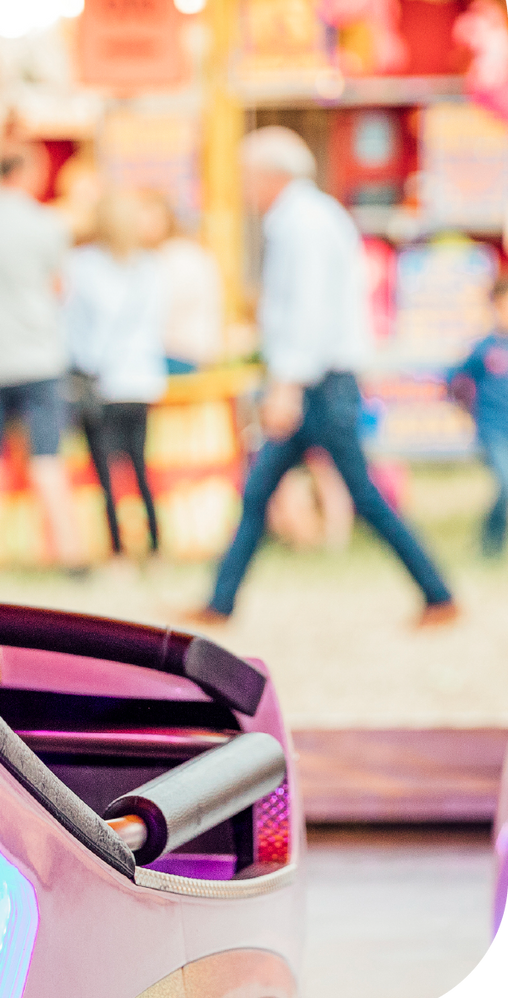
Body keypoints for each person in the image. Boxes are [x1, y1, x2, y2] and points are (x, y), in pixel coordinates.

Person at [195, 127, 457, 627]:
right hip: (321, 379)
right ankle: (219, 602)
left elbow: (308, 313)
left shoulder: (302, 224)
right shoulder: (312, 217)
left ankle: (438, 593)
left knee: (357, 494)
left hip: (317, 384)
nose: (246, 187)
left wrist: (286, 385)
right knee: (263, 490)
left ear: (271, 174)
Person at [0, 148, 85, 573]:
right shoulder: (46, 224)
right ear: (26, 171)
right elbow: (60, 288)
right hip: (38, 359)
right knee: (47, 458)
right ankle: (68, 554)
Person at [65, 188, 168, 558]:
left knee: (106, 474)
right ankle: (156, 545)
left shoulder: (82, 266)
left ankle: (118, 551)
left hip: (102, 380)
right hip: (142, 380)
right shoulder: (150, 268)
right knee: (141, 466)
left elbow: (74, 328)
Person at [449, 275, 508, 558]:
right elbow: (455, 381)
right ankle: (489, 546)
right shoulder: (485, 348)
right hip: (494, 430)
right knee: (506, 484)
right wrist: (467, 409)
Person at [137, 189, 225, 374]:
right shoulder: (180, 253)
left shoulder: (177, 257)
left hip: (182, 354)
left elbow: (158, 313)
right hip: (188, 352)